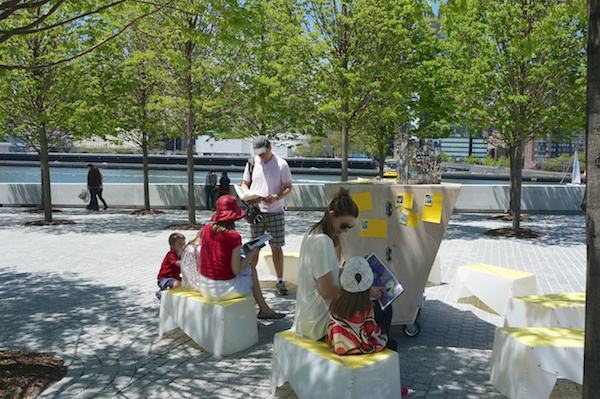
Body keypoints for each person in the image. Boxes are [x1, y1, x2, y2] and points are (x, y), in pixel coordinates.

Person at [291, 188, 394, 345]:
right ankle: (368, 345)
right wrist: (364, 291)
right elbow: (327, 291)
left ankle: (368, 341)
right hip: (319, 323)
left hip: (307, 319)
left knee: (378, 311)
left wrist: (355, 270)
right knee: (384, 310)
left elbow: (326, 273)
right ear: (332, 215)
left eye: (350, 227)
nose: (345, 231)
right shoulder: (323, 242)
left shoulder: (312, 233)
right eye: (344, 225)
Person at [198, 195, 284, 319]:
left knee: (249, 270)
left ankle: (264, 309)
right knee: (251, 270)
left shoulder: (206, 229)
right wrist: (251, 254)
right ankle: (263, 309)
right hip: (222, 289)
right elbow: (236, 269)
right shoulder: (233, 236)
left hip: (204, 284)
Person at [242, 136, 293, 296]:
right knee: (253, 249)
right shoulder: (251, 163)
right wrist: (249, 195)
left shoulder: (281, 164)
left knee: (276, 247)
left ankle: (280, 280)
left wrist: (277, 197)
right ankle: (250, 279)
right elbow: (245, 183)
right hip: (256, 211)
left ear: (270, 147)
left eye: (263, 153)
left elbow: (288, 187)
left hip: (275, 211)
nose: (261, 156)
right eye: (258, 153)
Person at [326, 256, 388, 355]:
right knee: (390, 343)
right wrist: (383, 336)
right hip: (358, 348)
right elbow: (373, 331)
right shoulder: (366, 308)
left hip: (338, 346)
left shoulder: (336, 304)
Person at [156, 232, 186, 300]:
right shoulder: (171, 254)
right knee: (177, 284)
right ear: (172, 246)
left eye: (184, 244)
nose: (183, 246)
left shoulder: (182, 255)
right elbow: (177, 263)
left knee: (186, 284)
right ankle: (161, 292)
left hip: (175, 277)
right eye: (180, 244)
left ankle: (170, 290)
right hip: (164, 278)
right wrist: (187, 263)